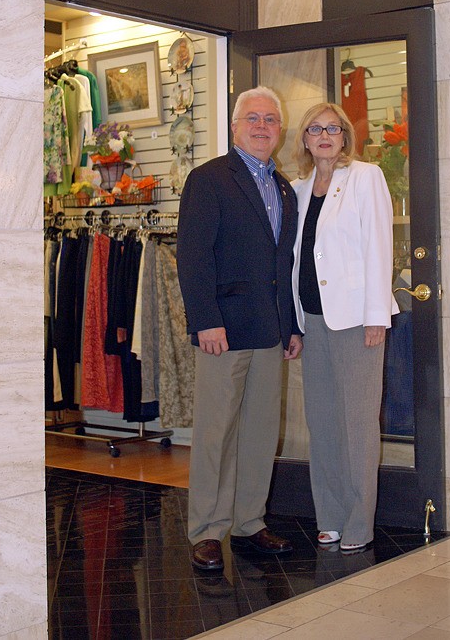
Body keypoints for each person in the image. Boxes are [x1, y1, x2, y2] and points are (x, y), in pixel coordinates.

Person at [177, 86, 303, 572]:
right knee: (215, 434)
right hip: (222, 332)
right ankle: (207, 529)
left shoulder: (284, 188)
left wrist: (290, 326)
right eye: (252, 118)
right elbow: (193, 256)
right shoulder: (209, 179)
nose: (261, 126)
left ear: (280, 130)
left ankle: (250, 522)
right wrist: (205, 320)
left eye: (271, 119)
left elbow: (284, 264)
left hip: (270, 331)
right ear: (234, 127)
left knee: (259, 432)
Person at [291, 102, 398, 552]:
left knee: (357, 424)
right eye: (315, 128)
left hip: (356, 321)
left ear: (345, 136)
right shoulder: (295, 189)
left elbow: (380, 244)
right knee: (324, 424)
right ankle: (330, 515)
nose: (324, 135)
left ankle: (360, 521)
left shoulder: (365, 177)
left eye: (333, 128)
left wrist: (377, 314)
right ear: (305, 138)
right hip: (311, 321)